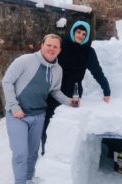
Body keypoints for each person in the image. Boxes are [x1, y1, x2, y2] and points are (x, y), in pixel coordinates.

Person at [2, 34, 77, 184]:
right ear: (42, 45)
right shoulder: (25, 60)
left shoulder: (57, 70)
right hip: (17, 115)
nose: (51, 49)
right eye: (48, 45)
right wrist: (14, 107)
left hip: (38, 115)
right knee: (21, 153)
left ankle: (28, 179)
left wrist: (69, 102)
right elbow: (7, 82)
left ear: (60, 50)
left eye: (55, 47)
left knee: (33, 152)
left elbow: (55, 91)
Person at [41, 20, 111, 150]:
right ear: (73, 32)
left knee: (69, 120)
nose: (81, 36)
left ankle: (66, 149)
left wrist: (106, 90)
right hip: (56, 87)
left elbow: (97, 72)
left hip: (74, 91)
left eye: (84, 34)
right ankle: (47, 148)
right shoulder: (62, 45)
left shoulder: (89, 52)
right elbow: (47, 61)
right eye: (78, 32)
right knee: (48, 117)